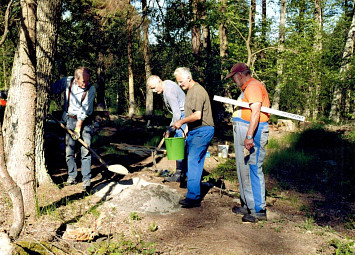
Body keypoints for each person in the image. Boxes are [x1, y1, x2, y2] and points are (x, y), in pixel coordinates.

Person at [225, 63, 270, 222]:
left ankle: (258, 209)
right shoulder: (247, 88)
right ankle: (247, 203)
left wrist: (250, 135)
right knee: (243, 168)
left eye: (233, 78)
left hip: (254, 133)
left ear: (240, 75)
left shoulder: (253, 86)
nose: (233, 81)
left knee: (253, 168)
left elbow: (256, 111)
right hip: (244, 130)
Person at [172, 67, 214, 208]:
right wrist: (186, 131)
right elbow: (193, 118)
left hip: (203, 130)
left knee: (193, 161)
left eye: (181, 81)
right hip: (195, 130)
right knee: (192, 161)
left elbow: (197, 116)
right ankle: (193, 191)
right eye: (178, 82)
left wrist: (181, 122)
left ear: (189, 78)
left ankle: (193, 198)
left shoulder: (197, 91)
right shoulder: (190, 91)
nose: (180, 84)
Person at [52, 67, 96, 192]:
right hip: (69, 120)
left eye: (87, 81)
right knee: (69, 151)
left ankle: (86, 180)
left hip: (85, 121)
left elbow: (84, 110)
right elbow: (53, 89)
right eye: (83, 82)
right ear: (76, 79)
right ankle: (72, 176)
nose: (85, 84)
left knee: (86, 150)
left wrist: (78, 129)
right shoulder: (67, 82)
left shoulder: (91, 89)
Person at [147, 75, 186, 183]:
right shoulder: (168, 83)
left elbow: (177, 113)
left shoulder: (168, 92)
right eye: (152, 89)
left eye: (154, 88)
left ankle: (180, 174)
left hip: (183, 116)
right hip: (183, 114)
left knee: (179, 145)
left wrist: (170, 129)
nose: (154, 91)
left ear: (160, 81)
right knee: (182, 145)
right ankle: (183, 173)